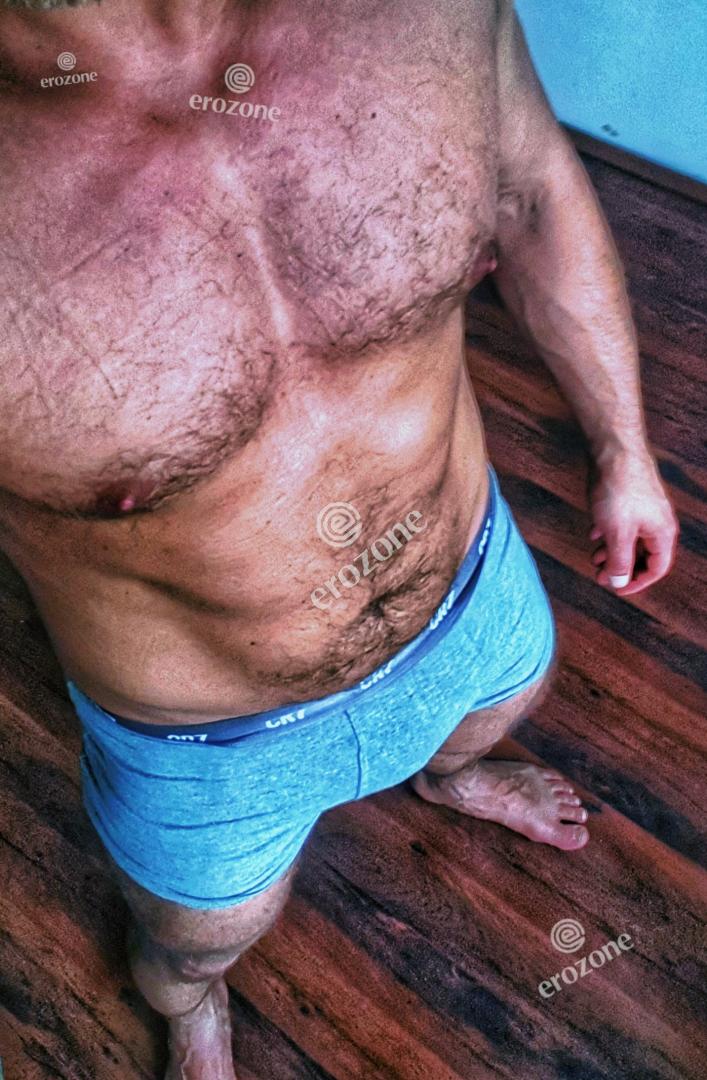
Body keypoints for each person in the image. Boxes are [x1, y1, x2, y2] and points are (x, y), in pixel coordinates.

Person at [0, 0, 679, 1076]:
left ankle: (451, 778)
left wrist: (624, 453)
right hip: (209, 746)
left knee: (496, 709)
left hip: (472, 590)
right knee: (189, 947)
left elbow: (531, 192)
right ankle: (194, 1009)